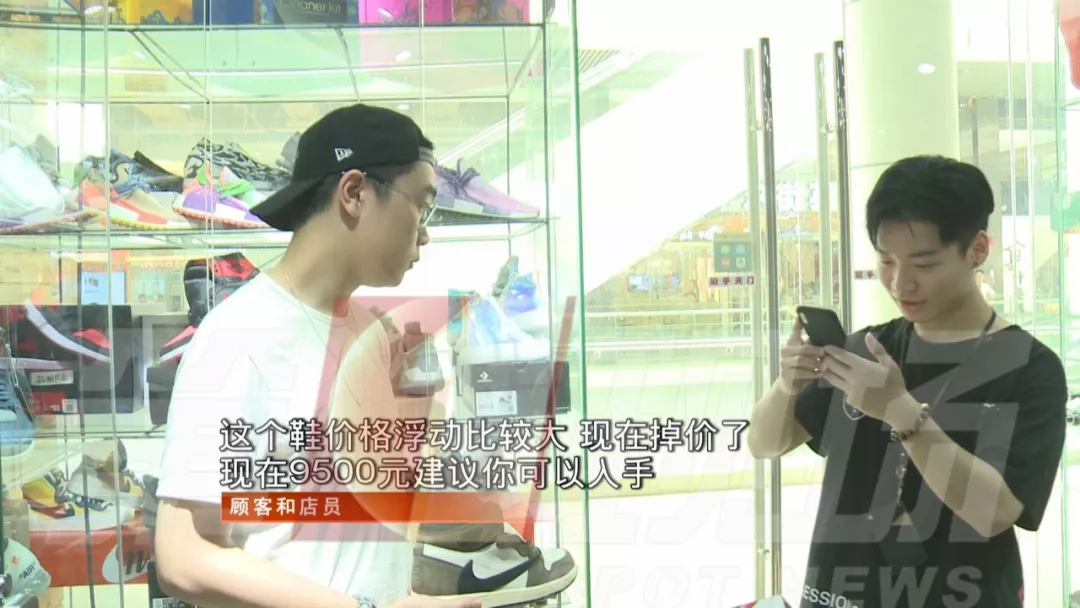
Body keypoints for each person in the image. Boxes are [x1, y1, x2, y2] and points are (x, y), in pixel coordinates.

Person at [152, 104, 480, 608]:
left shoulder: (370, 331)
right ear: (355, 193)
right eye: (421, 205)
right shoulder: (239, 337)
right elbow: (183, 556)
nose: (425, 231)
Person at [747, 156, 1067, 608]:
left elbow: (994, 512)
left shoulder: (1029, 368)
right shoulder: (865, 348)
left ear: (978, 250)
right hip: (838, 595)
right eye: (886, 261)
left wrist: (899, 410)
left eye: (925, 264)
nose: (901, 283)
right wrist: (787, 385)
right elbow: (764, 443)